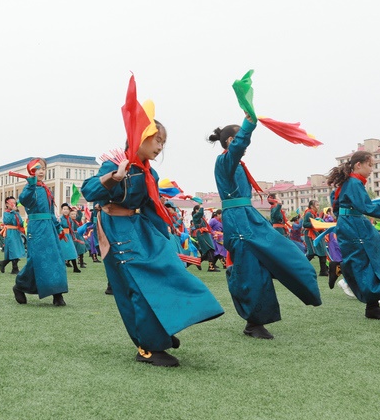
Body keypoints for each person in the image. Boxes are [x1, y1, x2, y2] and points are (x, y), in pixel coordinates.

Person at [83, 121, 223, 366]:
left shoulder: (151, 173)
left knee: (168, 270)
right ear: (140, 137)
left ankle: (162, 331)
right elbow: (89, 191)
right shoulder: (114, 164)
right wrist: (115, 177)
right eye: (157, 140)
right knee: (137, 286)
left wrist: (163, 238)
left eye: (163, 142)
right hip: (117, 229)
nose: (160, 146)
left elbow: (150, 206)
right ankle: (148, 347)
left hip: (142, 228)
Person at [208, 117, 321, 339]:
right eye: (240, 138)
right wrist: (249, 125)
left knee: (279, 255)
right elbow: (238, 147)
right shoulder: (225, 161)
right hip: (239, 220)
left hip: (247, 216)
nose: (245, 145)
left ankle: (298, 285)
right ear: (231, 141)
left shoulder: (234, 164)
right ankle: (254, 322)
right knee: (251, 269)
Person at [327, 151, 380, 320]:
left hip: (351, 223)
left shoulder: (347, 183)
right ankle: (370, 304)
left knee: (367, 262)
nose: (372, 169)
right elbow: (367, 207)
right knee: (372, 261)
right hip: (355, 225)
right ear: (359, 165)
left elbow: (336, 206)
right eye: (370, 165)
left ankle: (372, 306)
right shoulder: (354, 183)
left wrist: (344, 220)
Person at [12, 159, 68, 307]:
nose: (41, 171)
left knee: (55, 259)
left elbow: (51, 212)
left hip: (49, 228)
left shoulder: (46, 189)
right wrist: (31, 185)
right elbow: (24, 200)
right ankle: (19, 286)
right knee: (36, 260)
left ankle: (58, 294)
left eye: (43, 168)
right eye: (37, 169)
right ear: (31, 171)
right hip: (36, 228)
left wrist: (58, 228)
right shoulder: (29, 188)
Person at [0, 196, 26, 274]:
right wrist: (13, 212)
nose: (14, 204)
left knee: (16, 249)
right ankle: (14, 268)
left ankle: (4, 263)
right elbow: (7, 221)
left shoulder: (16, 213)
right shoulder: (6, 213)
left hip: (16, 232)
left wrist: (16, 213)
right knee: (13, 249)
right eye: (12, 203)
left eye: (15, 203)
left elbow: (20, 222)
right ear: (7, 204)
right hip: (10, 232)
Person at [301, 200, 328, 276]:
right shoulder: (308, 213)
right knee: (311, 253)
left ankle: (323, 271)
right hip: (310, 234)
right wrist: (315, 224)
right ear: (312, 206)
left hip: (316, 234)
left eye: (318, 205)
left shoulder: (315, 214)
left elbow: (317, 224)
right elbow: (305, 224)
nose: (318, 206)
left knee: (322, 251)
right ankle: (300, 267)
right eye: (317, 205)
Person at [59, 203, 80, 273]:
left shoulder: (69, 219)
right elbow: (58, 227)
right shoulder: (60, 219)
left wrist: (74, 237)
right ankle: (61, 268)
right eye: (64, 209)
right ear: (62, 210)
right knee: (62, 252)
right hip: (62, 236)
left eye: (67, 209)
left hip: (68, 236)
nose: (65, 210)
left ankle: (75, 267)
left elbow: (72, 229)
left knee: (72, 251)